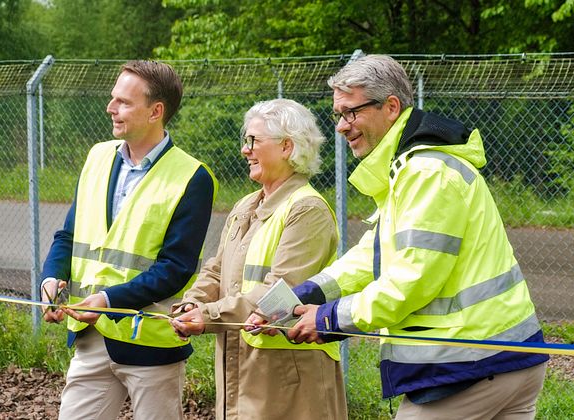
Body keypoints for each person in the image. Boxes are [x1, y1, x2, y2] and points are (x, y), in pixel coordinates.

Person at [274, 55, 549, 419]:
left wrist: (330, 318)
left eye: (350, 113)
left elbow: (411, 280)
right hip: (502, 358)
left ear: (390, 107)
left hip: (468, 365)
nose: (342, 126)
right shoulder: (412, 168)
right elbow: (374, 255)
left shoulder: (425, 172)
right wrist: (305, 294)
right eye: (338, 116)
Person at [39, 60, 216, 420]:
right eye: (112, 99)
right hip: (90, 339)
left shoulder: (193, 177)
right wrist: (50, 279)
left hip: (150, 344)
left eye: (123, 102)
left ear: (156, 111)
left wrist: (107, 299)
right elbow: (68, 235)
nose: (111, 108)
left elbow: (176, 268)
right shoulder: (97, 157)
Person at [170, 98, 348, 420]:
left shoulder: (307, 209)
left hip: (289, 379)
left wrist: (207, 314)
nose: (245, 150)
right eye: (245, 141)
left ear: (286, 147)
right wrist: (191, 304)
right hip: (242, 367)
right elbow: (216, 269)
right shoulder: (245, 205)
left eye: (253, 141)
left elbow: (282, 291)